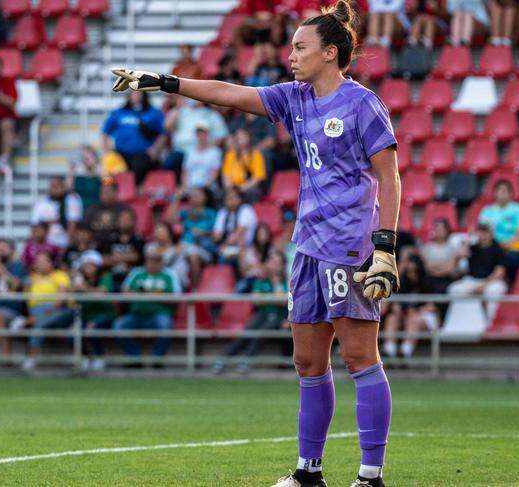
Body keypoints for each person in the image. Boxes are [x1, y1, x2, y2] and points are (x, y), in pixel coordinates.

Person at [110, 1, 401, 484]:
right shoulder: (295, 97)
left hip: (349, 246)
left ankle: (371, 476)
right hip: (306, 245)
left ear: (330, 53)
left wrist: (385, 248)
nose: (291, 54)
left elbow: (390, 178)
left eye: (300, 47)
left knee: (358, 357)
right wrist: (165, 82)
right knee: (308, 361)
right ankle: (309, 473)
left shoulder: (363, 104)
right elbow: (229, 93)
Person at [213, 250, 289, 374]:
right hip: (263, 313)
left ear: (282, 266)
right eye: (271, 261)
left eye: (277, 262)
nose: (273, 265)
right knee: (248, 332)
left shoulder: (288, 281)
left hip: (281, 315)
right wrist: (276, 298)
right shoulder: (261, 280)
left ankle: (246, 360)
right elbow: (257, 301)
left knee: (262, 332)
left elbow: (286, 302)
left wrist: (273, 293)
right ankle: (223, 359)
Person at [113, 244, 180, 363]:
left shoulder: (170, 274)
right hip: (136, 314)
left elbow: (176, 297)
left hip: (160, 313)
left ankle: (157, 359)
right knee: (119, 326)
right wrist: (138, 293)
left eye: (157, 260)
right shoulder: (137, 273)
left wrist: (153, 294)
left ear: (161, 261)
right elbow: (124, 291)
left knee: (165, 325)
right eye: (151, 260)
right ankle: (134, 358)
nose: (153, 263)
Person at [22, 252, 74, 371]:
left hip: (57, 311)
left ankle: (31, 357)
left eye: (43, 261)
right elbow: (25, 298)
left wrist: (47, 311)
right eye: (37, 262)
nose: (39, 264)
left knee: (39, 323)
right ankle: (31, 320)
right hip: (35, 311)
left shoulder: (60, 275)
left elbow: (61, 299)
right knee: (40, 321)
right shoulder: (32, 278)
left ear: (51, 263)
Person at [382, 251, 437, 361]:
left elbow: (433, 306)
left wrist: (417, 310)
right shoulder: (402, 283)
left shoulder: (429, 281)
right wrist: (400, 309)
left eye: (415, 271)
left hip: (424, 317)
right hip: (406, 315)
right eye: (409, 271)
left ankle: (405, 352)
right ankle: (390, 351)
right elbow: (396, 303)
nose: (411, 274)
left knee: (414, 320)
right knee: (392, 318)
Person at [101, 91, 165, 184]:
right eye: (133, 93)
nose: (135, 95)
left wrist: (155, 149)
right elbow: (104, 133)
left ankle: (134, 192)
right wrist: (107, 151)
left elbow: (163, 133)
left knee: (138, 170)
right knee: (110, 170)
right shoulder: (119, 112)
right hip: (120, 153)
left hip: (141, 154)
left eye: (138, 93)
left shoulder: (154, 113)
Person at [448, 223, 507, 319]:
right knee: (455, 289)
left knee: (494, 291)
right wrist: (468, 238)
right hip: (472, 280)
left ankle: (491, 324)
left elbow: (499, 272)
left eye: (486, 232)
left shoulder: (498, 249)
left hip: (491, 281)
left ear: (491, 234)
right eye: (481, 232)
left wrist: (483, 286)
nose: (483, 235)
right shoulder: (473, 248)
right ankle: (461, 322)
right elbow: (460, 254)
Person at [71, 250, 115, 372]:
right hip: (85, 315)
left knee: (92, 330)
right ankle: (85, 357)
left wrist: (85, 288)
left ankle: (100, 357)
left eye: (91, 265)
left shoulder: (106, 277)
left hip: (104, 314)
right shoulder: (79, 279)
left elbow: (102, 292)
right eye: (86, 265)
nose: (88, 268)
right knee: (71, 334)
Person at [166, 186, 218, 287]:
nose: (194, 197)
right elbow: (170, 219)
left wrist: (203, 233)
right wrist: (176, 198)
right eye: (192, 195)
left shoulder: (211, 213)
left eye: (198, 195)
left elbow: (217, 234)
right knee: (171, 258)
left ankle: (194, 290)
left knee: (193, 256)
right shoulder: (186, 212)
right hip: (183, 246)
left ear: (205, 198)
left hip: (202, 247)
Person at [478, 179, 519, 283]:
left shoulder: (518, 209)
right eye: (500, 191)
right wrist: (496, 246)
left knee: (512, 257)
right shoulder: (487, 211)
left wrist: (504, 245)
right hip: (493, 246)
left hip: (514, 246)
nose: (503, 194)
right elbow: (483, 233)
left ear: (511, 194)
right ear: (495, 193)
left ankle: (511, 283)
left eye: (506, 191)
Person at [31, 177, 83, 250]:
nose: (54, 189)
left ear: (64, 187)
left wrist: (67, 245)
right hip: (45, 245)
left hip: (65, 243)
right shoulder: (41, 203)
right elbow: (35, 225)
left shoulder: (72, 200)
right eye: (52, 186)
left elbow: (73, 223)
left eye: (57, 186)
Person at [100, 208, 145, 291]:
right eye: (122, 218)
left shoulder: (139, 240)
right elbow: (104, 260)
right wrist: (127, 257)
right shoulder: (110, 240)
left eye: (128, 219)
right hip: (112, 278)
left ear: (134, 222)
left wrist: (114, 257)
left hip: (132, 279)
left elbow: (136, 257)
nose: (125, 221)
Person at [213, 186, 258, 266]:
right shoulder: (223, 212)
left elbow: (239, 232)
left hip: (245, 247)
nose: (230, 199)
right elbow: (217, 234)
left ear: (240, 199)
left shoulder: (246, 210)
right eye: (228, 197)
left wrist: (224, 245)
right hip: (226, 245)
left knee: (223, 259)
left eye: (233, 197)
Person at [82, 177, 132, 247]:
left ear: (115, 192)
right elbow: (85, 230)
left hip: (117, 246)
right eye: (103, 191)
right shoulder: (92, 210)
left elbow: (130, 231)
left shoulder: (124, 210)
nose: (105, 194)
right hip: (96, 245)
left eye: (109, 191)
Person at [222, 126, 267, 203]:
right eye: (237, 136)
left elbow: (257, 177)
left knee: (252, 193)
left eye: (242, 136)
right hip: (233, 187)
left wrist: (242, 188)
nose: (239, 138)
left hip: (247, 187)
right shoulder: (230, 154)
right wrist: (229, 189)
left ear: (248, 138)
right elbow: (226, 174)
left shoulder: (255, 154)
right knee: (220, 194)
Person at [179, 123, 222, 194]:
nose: (201, 136)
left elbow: (215, 173)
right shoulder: (190, 152)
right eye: (199, 134)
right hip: (191, 188)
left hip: (208, 189)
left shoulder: (215, 152)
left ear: (208, 135)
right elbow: (185, 172)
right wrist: (186, 186)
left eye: (203, 134)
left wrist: (203, 189)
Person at [420, 218, 459, 294]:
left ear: (447, 230)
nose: (439, 231)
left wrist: (437, 268)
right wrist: (443, 266)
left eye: (442, 229)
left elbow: (451, 268)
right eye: (437, 228)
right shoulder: (427, 247)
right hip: (430, 279)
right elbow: (426, 266)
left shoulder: (452, 248)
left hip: (446, 280)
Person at [236, 222, 274, 292]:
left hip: (267, 280)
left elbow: (272, 268)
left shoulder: (271, 250)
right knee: (240, 287)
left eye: (265, 234)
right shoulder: (250, 250)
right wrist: (262, 266)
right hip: (251, 280)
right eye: (260, 234)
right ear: (256, 235)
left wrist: (254, 266)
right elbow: (244, 270)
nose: (263, 237)